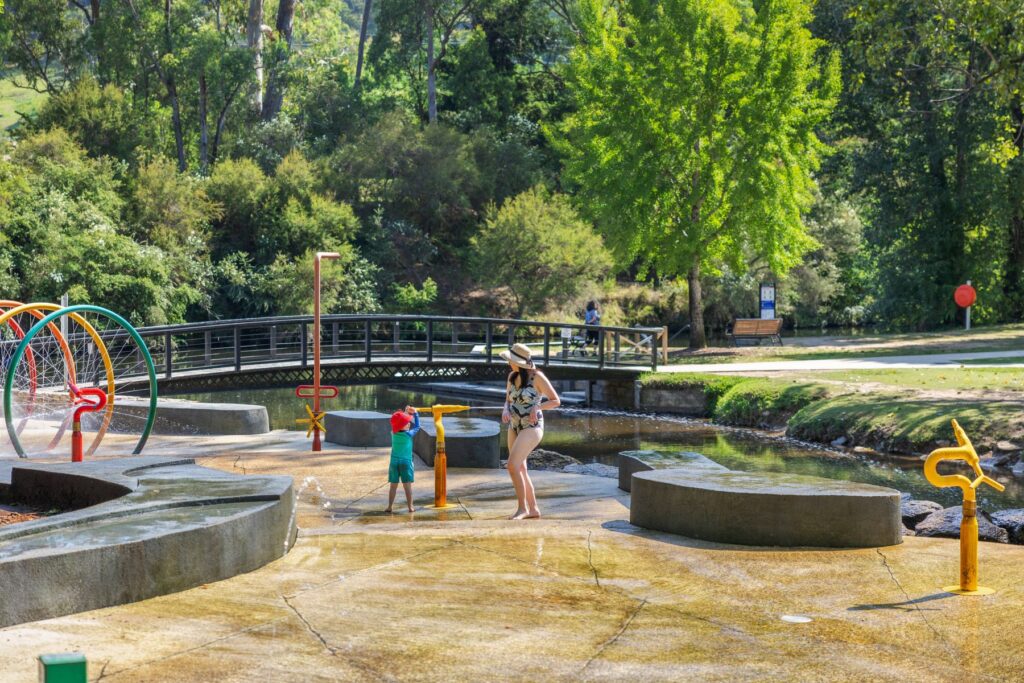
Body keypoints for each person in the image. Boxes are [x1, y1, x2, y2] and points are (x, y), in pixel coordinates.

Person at [499, 343, 561, 520]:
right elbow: (508, 400)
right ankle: (533, 509)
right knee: (520, 469)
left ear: (519, 362)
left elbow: (556, 400)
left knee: (512, 466)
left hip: (532, 426)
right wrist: (505, 409)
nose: (508, 363)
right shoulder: (512, 376)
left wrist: (538, 407)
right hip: (514, 424)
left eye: (510, 360)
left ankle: (522, 509)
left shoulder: (537, 377)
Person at [386, 406, 419, 513]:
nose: (409, 423)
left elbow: (396, 423)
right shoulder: (408, 434)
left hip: (394, 462)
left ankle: (390, 506)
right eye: (406, 423)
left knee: (393, 486)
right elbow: (417, 427)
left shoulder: (393, 433)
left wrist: (406, 412)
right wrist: (416, 414)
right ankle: (410, 507)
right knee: (407, 486)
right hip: (406, 462)